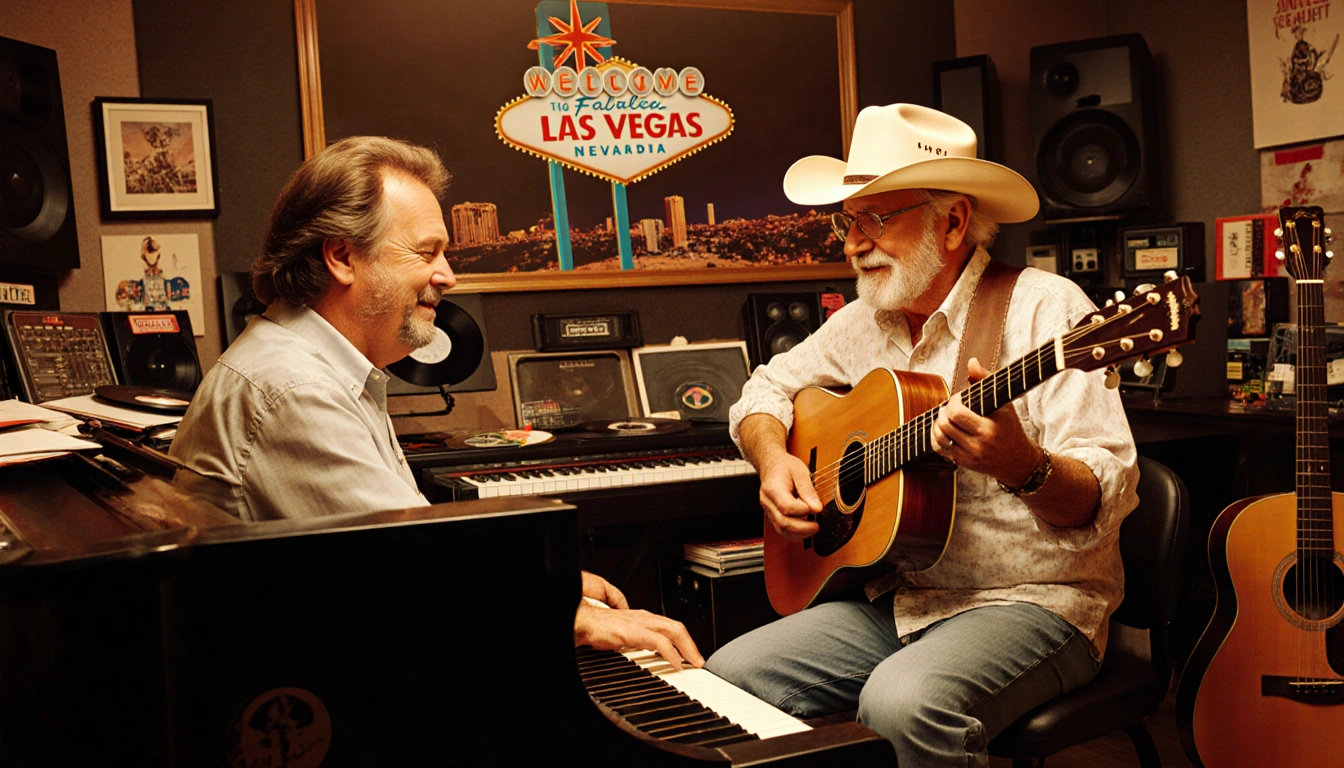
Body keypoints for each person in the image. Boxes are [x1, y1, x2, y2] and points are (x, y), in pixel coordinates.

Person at [704, 104, 1139, 765]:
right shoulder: (860, 323)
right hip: (902, 598)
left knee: (903, 702)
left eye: (876, 219)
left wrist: (1022, 466)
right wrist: (772, 460)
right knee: (727, 679)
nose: (852, 244)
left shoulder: (1047, 310)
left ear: (954, 221)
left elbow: (1100, 502)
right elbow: (762, 392)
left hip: (1036, 602)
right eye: (847, 221)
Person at [170, 135, 702, 668]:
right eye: (426, 253)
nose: (448, 275)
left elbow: (412, 537)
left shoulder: (318, 367)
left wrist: (535, 573)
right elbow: (421, 570)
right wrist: (570, 610)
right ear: (342, 256)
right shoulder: (293, 389)